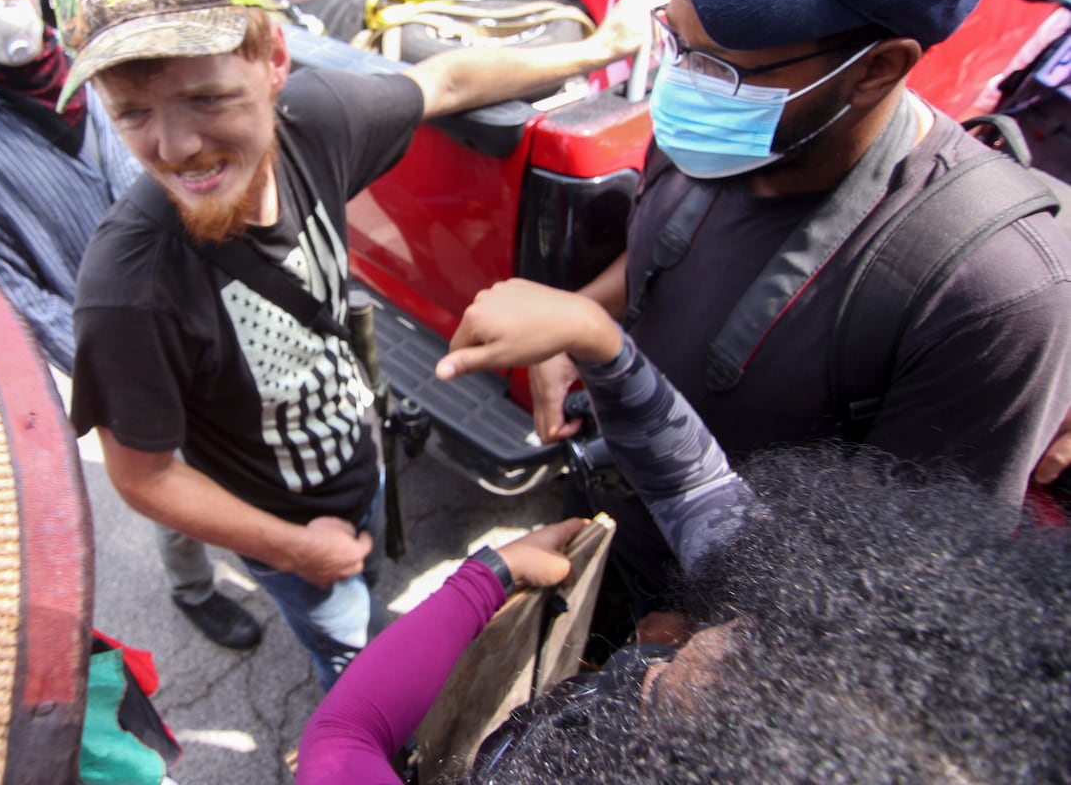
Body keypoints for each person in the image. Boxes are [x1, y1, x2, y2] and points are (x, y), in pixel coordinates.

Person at [58, 0, 646, 687]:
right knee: (356, 657)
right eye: (132, 114)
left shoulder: (317, 122)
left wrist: (601, 45)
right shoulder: (128, 289)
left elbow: (445, 81)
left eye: (205, 97)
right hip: (290, 533)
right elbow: (142, 475)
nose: (176, 146)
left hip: (355, 462)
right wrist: (294, 550)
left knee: (371, 610)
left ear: (272, 60)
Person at [523, 0, 1071, 638]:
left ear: (878, 67)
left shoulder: (990, 290)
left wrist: (719, 657)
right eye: (676, 39)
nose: (681, 84)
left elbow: (899, 598)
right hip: (609, 546)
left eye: (720, 64)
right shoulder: (708, 130)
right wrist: (586, 322)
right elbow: (666, 255)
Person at [297, 278, 1071, 782]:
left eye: (670, 681)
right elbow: (698, 487)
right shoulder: (836, 650)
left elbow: (345, 736)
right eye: (753, 626)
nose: (677, 635)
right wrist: (605, 347)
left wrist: (479, 584)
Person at [0, 0, 264, 650]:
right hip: (117, 357)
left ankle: (266, 542)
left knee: (241, 444)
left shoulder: (116, 64)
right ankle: (193, 586)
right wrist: (123, 356)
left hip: (215, 304)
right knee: (165, 476)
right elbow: (3, 290)